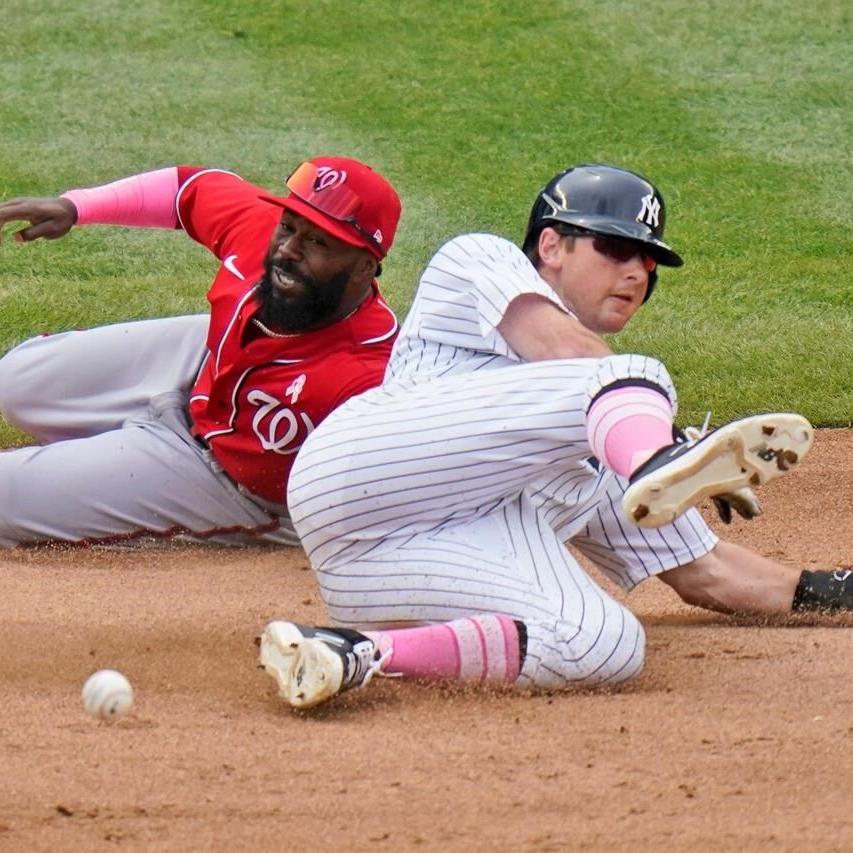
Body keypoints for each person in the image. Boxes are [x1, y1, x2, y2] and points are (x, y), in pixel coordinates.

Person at [257, 163, 847, 711]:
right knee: (629, 376)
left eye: (649, 261)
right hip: (360, 472)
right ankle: (670, 458)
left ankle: (354, 653)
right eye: (616, 249)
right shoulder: (476, 262)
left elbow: (708, 574)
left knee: (607, 646)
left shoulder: (612, 431)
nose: (637, 272)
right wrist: (666, 442)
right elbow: (566, 351)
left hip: (378, 574)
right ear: (550, 245)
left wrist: (837, 591)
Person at [0, 156, 401, 547]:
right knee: (15, 379)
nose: (288, 250)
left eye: (317, 241)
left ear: (365, 267)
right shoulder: (266, 236)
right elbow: (191, 188)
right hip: (206, 363)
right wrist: (76, 206)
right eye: (289, 226)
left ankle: (111, 462)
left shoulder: (369, 381)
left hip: (222, 477)